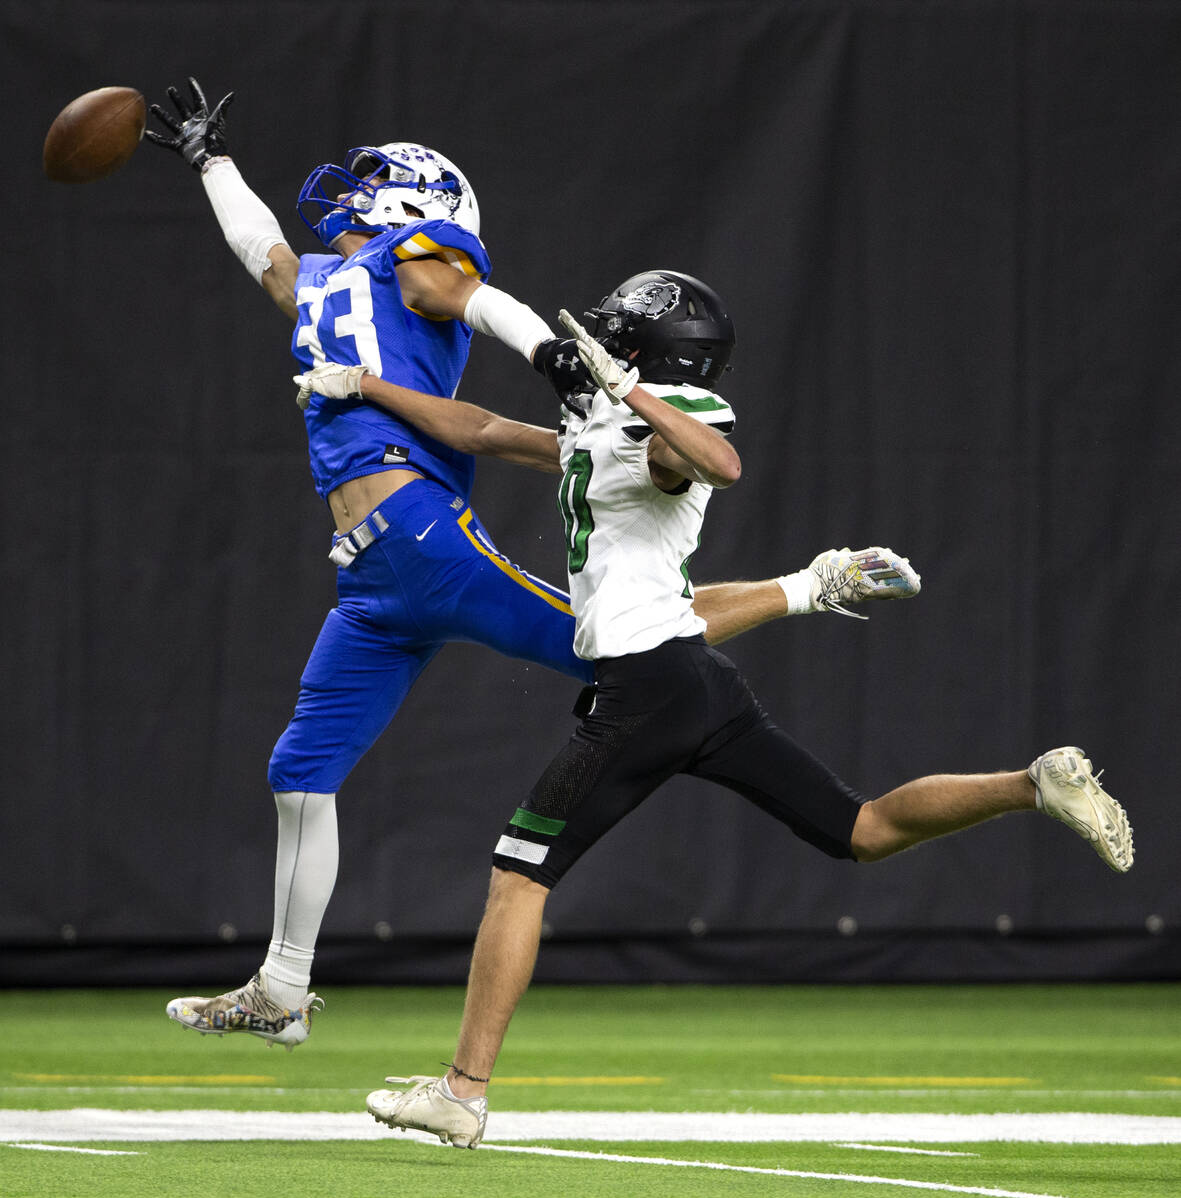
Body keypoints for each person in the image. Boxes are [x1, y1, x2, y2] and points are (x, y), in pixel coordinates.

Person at [146, 81, 919, 1050]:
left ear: (422, 204)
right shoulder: (327, 284)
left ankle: (813, 584)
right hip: (370, 582)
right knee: (299, 772)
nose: (356, 190)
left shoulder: (412, 258)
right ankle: (281, 988)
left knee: (614, 637)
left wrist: (549, 350)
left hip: (422, 536)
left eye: (379, 180)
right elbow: (260, 252)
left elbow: (471, 299)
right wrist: (211, 162)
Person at [294, 270, 1135, 1148]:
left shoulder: (670, 418)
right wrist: (368, 387)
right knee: (862, 829)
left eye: (619, 335)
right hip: (691, 677)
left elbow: (717, 463)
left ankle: (462, 1094)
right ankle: (1031, 784)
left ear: (648, 354)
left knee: (518, 876)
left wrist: (629, 392)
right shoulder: (603, 422)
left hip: (644, 693)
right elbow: (483, 430)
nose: (601, 342)